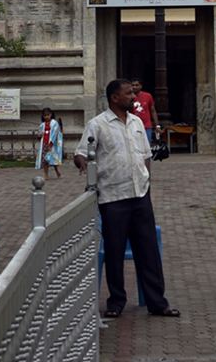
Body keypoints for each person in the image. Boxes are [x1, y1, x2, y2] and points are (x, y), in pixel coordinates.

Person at [74, 79, 179, 319]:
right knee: (114, 252)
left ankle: (157, 303)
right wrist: (83, 164)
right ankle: (116, 302)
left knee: (148, 252)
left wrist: (146, 180)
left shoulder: (137, 123)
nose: (133, 96)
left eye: (133, 92)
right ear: (114, 98)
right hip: (113, 197)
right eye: (129, 93)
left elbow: (145, 156)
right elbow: (80, 153)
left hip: (140, 195)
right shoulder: (97, 124)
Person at [129, 77, 159, 146]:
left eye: (136, 85)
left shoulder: (148, 96)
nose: (134, 87)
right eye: (133, 85)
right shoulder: (128, 97)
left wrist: (157, 125)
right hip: (133, 125)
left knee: (147, 146)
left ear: (141, 86)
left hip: (146, 126)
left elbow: (153, 111)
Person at [36, 107, 63, 179]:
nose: (46, 117)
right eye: (45, 115)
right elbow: (39, 135)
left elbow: (55, 134)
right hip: (44, 144)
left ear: (51, 114)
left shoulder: (54, 123)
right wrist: (39, 135)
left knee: (53, 158)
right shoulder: (42, 125)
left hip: (52, 144)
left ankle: (57, 170)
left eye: (48, 115)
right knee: (45, 160)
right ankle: (46, 174)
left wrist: (51, 143)